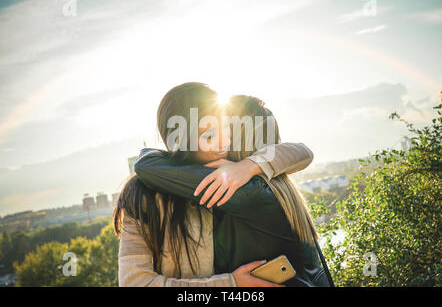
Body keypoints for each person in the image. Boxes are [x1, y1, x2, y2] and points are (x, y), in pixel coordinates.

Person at [114, 82, 314, 286]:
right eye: (208, 135)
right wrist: (230, 284)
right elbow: (134, 283)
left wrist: (250, 165)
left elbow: (303, 152)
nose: (223, 142)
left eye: (227, 130)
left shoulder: (237, 184)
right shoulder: (142, 194)